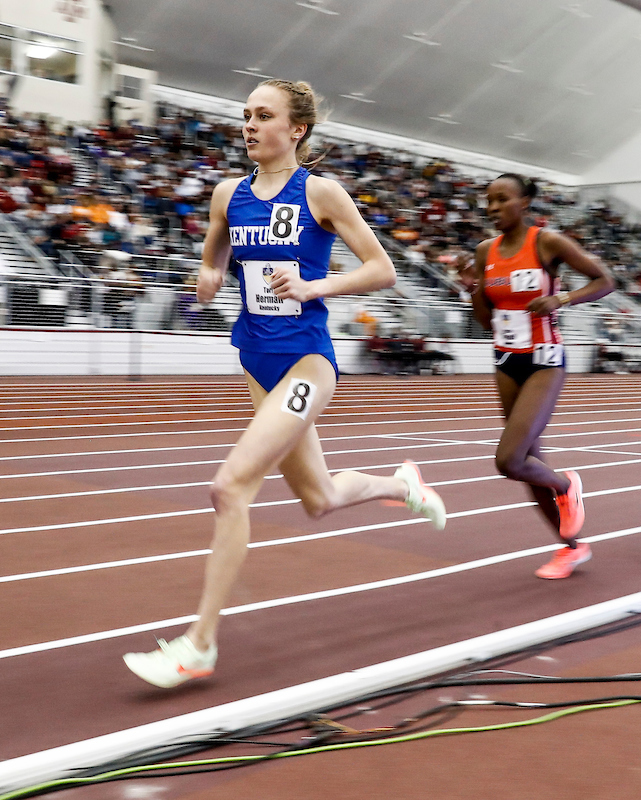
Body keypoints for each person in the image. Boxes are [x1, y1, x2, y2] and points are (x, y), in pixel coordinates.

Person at [123, 80, 446, 689]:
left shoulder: (319, 193)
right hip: (254, 360)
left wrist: (316, 287)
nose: (248, 125)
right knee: (318, 499)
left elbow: (383, 269)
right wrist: (208, 276)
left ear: (295, 129)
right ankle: (400, 483)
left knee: (230, 485)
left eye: (263, 115)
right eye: (244, 114)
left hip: (306, 363)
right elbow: (213, 256)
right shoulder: (228, 195)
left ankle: (200, 644)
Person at [470, 173, 615, 579]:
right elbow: (484, 321)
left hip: (545, 359)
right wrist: (474, 291)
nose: (493, 207)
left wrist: (562, 298)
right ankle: (571, 547)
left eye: (502, 199)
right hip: (505, 359)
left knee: (509, 459)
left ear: (525, 202)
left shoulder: (546, 242)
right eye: (489, 201)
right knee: (529, 462)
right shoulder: (485, 251)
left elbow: (606, 280)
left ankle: (567, 485)